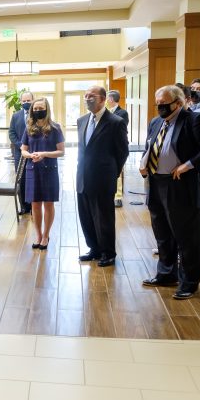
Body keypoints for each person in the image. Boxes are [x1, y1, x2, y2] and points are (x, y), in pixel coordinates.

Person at [139, 86, 200, 300]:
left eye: (164, 103)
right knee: (163, 233)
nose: (160, 107)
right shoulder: (156, 121)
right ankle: (166, 274)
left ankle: (189, 282)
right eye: (157, 103)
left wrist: (190, 164)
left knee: (187, 236)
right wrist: (144, 162)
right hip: (157, 183)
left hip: (182, 185)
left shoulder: (194, 120)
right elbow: (151, 145)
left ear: (178, 102)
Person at [76, 86, 129, 267]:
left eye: (91, 96)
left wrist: (112, 173)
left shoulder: (115, 122)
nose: (87, 99)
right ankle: (94, 249)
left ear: (103, 99)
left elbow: (122, 152)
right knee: (86, 216)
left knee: (104, 218)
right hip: (82, 177)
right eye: (85, 96)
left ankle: (108, 252)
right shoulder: (82, 120)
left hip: (103, 178)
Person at [21, 98, 64, 250]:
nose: (38, 110)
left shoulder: (55, 128)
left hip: (49, 170)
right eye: (36, 108)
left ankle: (46, 235)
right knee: (35, 204)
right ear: (32, 110)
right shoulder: (29, 128)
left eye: (41, 108)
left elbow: (61, 151)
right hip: (33, 169)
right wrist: (29, 155)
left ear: (47, 109)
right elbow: (23, 149)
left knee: (48, 203)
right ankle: (38, 235)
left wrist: (44, 153)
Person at [8, 91, 34, 215]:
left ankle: (35, 206)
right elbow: (11, 133)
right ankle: (24, 207)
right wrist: (21, 147)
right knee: (21, 179)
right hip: (20, 153)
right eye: (24, 101)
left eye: (28, 100)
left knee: (34, 179)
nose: (26, 103)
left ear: (33, 100)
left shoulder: (38, 115)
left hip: (35, 153)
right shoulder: (16, 116)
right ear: (20, 102)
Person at [106, 90, 129, 208]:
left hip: (118, 145)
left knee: (118, 171)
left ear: (111, 99)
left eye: (107, 98)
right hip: (107, 145)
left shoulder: (122, 113)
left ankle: (118, 197)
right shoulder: (108, 112)